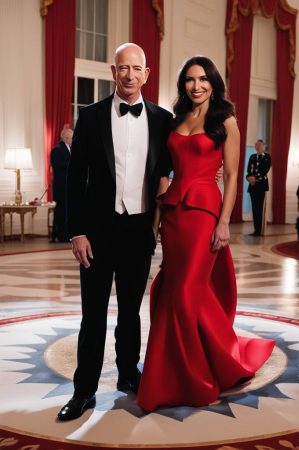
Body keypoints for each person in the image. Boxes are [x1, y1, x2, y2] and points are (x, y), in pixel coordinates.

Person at [136, 56, 275, 412]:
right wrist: (157, 215)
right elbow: (165, 171)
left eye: (202, 79)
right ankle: (168, 375)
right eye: (189, 80)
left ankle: (200, 377)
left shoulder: (225, 121)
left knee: (185, 294)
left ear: (214, 83)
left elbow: (231, 177)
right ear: (183, 84)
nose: (195, 86)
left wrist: (225, 221)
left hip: (204, 214)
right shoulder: (177, 118)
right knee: (174, 291)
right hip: (174, 214)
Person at [57, 43, 173, 421]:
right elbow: (75, 181)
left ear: (146, 74)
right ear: (113, 71)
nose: (129, 75)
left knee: (130, 313)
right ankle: (84, 391)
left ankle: (128, 374)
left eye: (136, 69)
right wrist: (76, 232)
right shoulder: (89, 117)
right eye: (123, 68)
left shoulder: (161, 119)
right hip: (96, 233)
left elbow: (175, 168)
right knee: (92, 316)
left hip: (139, 232)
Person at [50, 126, 73, 242]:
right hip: (61, 187)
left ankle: (66, 234)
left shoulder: (70, 148)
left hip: (68, 187)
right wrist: (74, 162)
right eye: (70, 137)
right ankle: (59, 235)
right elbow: (58, 165)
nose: (72, 139)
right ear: (64, 137)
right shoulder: (57, 149)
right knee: (61, 212)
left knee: (67, 211)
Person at [246, 139, 271, 236]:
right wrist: (249, 178)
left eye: (260, 145)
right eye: (257, 145)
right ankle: (256, 230)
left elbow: (265, 170)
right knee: (254, 208)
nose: (258, 147)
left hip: (261, 185)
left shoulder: (267, 157)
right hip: (252, 186)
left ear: (264, 146)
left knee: (260, 209)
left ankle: (260, 230)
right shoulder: (252, 157)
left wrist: (255, 178)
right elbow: (249, 170)